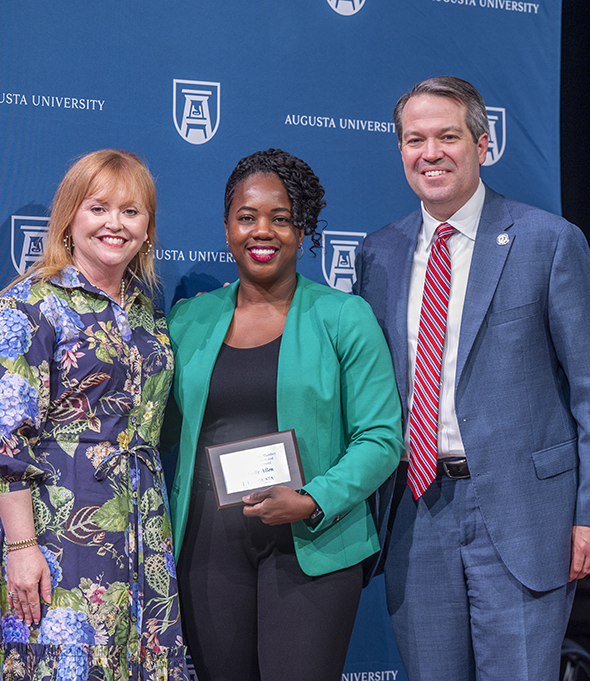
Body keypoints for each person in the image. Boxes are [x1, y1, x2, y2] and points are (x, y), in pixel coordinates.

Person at [355, 76, 590, 680]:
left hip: (527, 514)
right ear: (400, 151)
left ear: (483, 144)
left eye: (447, 136)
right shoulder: (379, 254)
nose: (431, 153)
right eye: (414, 139)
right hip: (416, 511)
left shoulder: (547, 241)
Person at [166, 149, 403, 681]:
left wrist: (311, 499)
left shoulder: (345, 316)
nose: (262, 231)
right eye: (247, 217)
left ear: (304, 229)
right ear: (226, 227)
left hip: (312, 544)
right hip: (209, 547)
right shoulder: (188, 319)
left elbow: (381, 437)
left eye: (281, 218)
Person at [0, 149, 188, 681]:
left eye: (131, 212)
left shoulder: (146, 312)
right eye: (98, 208)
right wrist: (21, 546)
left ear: (147, 228)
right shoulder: (28, 305)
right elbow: (0, 439)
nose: (115, 224)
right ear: (69, 218)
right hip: (57, 526)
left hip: (141, 523)